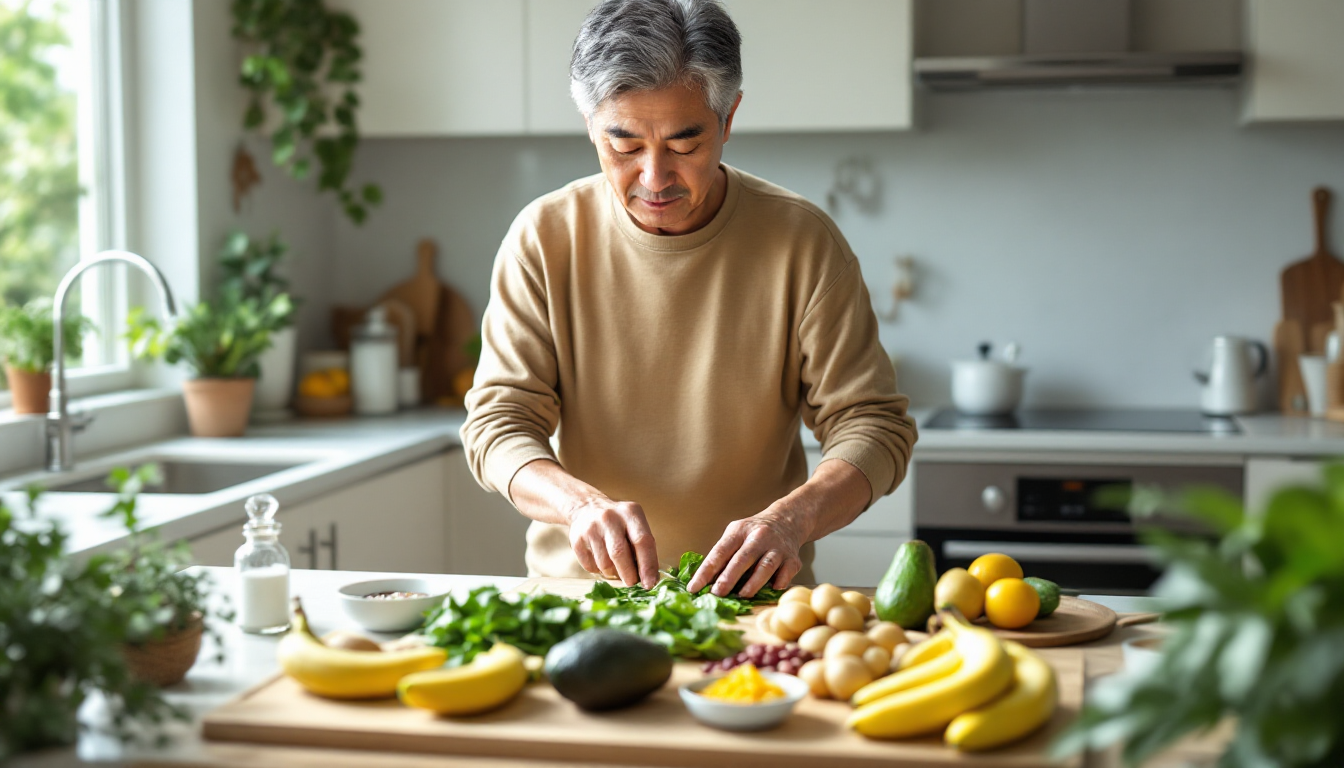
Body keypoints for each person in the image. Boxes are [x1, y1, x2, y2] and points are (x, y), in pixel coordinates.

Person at [461, 0, 916, 598]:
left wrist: (792, 519)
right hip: (578, 599)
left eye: (684, 143)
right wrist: (577, 507)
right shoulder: (543, 238)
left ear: (727, 121)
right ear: (589, 125)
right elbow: (498, 423)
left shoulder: (803, 242)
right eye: (623, 145)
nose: (655, 177)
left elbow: (872, 424)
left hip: (756, 601)